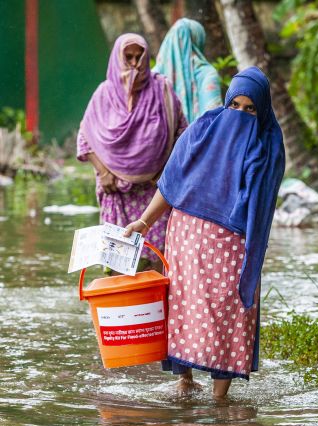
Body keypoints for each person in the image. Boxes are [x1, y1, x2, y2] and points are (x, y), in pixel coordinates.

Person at [124, 67, 285, 398]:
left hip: (233, 240)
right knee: (184, 305)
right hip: (186, 234)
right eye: (235, 105)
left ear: (262, 109)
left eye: (250, 108)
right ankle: (185, 381)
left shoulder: (268, 145)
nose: (239, 114)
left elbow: (263, 204)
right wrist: (143, 222)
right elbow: (172, 182)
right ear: (225, 102)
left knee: (228, 311)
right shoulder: (203, 128)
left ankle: (219, 399)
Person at [77, 33, 188, 267]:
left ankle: (156, 301)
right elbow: (85, 136)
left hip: (154, 191)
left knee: (157, 256)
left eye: (140, 57)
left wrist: (165, 172)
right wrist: (104, 172)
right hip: (116, 189)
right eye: (128, 58)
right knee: (117, 261)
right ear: (118, 59)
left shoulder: (163, 91)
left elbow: (182, 134)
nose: (135, 64)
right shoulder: (104, 94)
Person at [152, 18, 223, 123]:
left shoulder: (152, 76)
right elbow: (214, 118)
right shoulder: (206, 73)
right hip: (198, 138)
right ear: (198, 40)